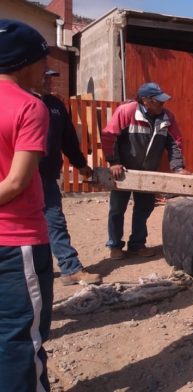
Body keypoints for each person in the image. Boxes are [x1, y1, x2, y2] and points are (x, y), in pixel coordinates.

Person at [0, 19, 54, 391]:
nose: (44, 71)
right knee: (20, 339)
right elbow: (16, 182)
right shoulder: (29, 107)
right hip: (16, 240)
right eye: (40, 62)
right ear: (23, 63)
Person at [101, 82, 189, 260]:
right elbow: (110, 137)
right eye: (158, 101)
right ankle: (115, 246)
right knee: (117, 209)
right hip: (123, 172)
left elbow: (175, 143)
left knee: (144, 208)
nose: (162, 104)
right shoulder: (127, 112)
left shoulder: (167, 117)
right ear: (145, 100)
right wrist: (114, 162)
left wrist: (178, 167)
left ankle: (137, 245)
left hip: (148, 172)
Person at [36, 70, 102, 286]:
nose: (49, 81)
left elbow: (68, 139)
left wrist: (81, 165)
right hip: (18, 180)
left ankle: (70, 268)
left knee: (55, 222)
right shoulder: (16, 101)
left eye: (50, 77)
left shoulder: (55, 105)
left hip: (46, 178)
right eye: (43, 76)